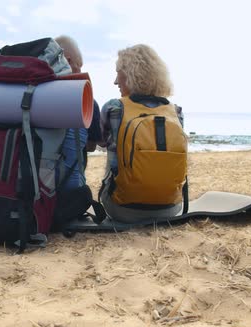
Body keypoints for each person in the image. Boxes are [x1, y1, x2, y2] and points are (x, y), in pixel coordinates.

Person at [99, 44, 185, 223]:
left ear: (130, 75)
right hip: (171, 208)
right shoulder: (175, 112)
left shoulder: (114, 107)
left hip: (122, 209)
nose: (115, 81)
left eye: (118, 73)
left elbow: (96, 142)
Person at [51, 35, 103, 229]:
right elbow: (90, 146)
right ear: (69, 60)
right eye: (80, 67)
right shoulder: (89, 102)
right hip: (68, 202)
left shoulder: (31, 98)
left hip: (30, 196)